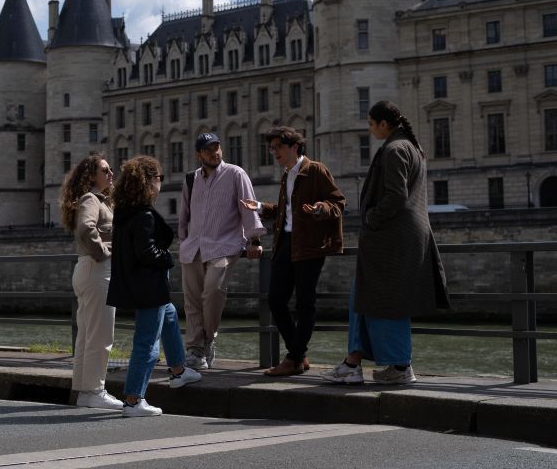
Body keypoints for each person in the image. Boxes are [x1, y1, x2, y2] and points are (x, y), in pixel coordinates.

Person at [322, 101, 450, 385]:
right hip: (399, 239)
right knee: (367, 297)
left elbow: (395, 196)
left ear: (383, 124)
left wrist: (370, 218)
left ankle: (399, 366)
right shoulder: (409, 147)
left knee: (386, 302)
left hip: (392, 239)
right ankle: (354, 362)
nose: (368, 129)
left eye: (370, 123)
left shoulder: (394, 150)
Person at [241, 126, 345, 376]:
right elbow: (286, 212)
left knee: (305, 304)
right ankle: (298, 356)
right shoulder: (287, 174)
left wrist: (321, 208)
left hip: (309, 245)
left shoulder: (315, 170)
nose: (272, 151)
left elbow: (338, 202)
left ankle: (294, 359)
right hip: (285, 243)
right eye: (272, 147)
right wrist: (261, 207)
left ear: (294, 147)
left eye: (278, 147)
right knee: (276, 300)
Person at [107, 155, 201, 417]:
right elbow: (146, 252)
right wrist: (167, 258)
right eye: (158, 178)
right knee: (147, 342)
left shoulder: (125, 213)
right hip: (149, 285)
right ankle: (133, 399)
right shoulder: (144, 216)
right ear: (148, 182)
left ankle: (179, 371)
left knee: (169, 317)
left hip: (137, 283)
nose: (161, 183)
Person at [179, 132, 265, 370]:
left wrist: (254, 240)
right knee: (192, 301)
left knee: (213, 291)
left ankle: (207, 341)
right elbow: (184, 215)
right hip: (193, 247)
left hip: (224, 244)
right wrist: (183, 241)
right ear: (199, 155)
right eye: (208, 150)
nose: (214, 152)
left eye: (217, 148)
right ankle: (195, 350)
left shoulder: (236, 174)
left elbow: (248, 207)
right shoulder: (190, 179)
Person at [59, 154, 122, 410]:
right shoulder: (91, 199)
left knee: (87, 335)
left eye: (110, 170)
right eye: (105, 170)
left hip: (88, 269)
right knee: (100, 335)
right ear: (91, 175)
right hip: (97, 270)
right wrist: (105, 252)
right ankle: (95, 390)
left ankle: (86, 391)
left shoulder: (99, 200)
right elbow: (86, 228)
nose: (110, 174)